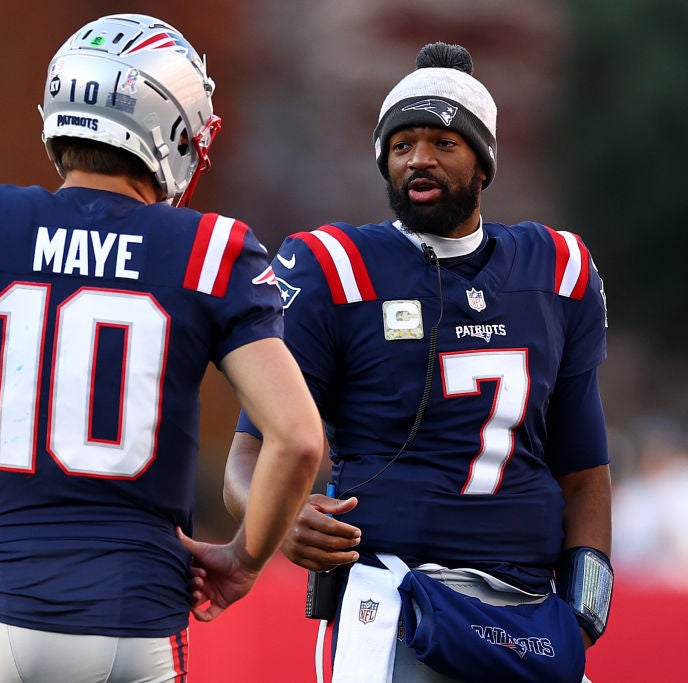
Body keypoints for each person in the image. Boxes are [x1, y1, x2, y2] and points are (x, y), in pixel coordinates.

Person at [0, 13, 324, 683]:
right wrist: (245, 559)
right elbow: (298, 437)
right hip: (139, 623)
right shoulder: (210, 251)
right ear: (170, 127)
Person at [224, 42, 612, 682]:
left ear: (484, 162)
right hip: (391, 599)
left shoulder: (557, 269)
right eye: (401, 145)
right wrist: (281, 517)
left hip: (528, 610)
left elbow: (583, 466)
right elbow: (247, 454)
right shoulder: (334, 268)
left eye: (443, 142)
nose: (419, 159)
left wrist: (587, 593)